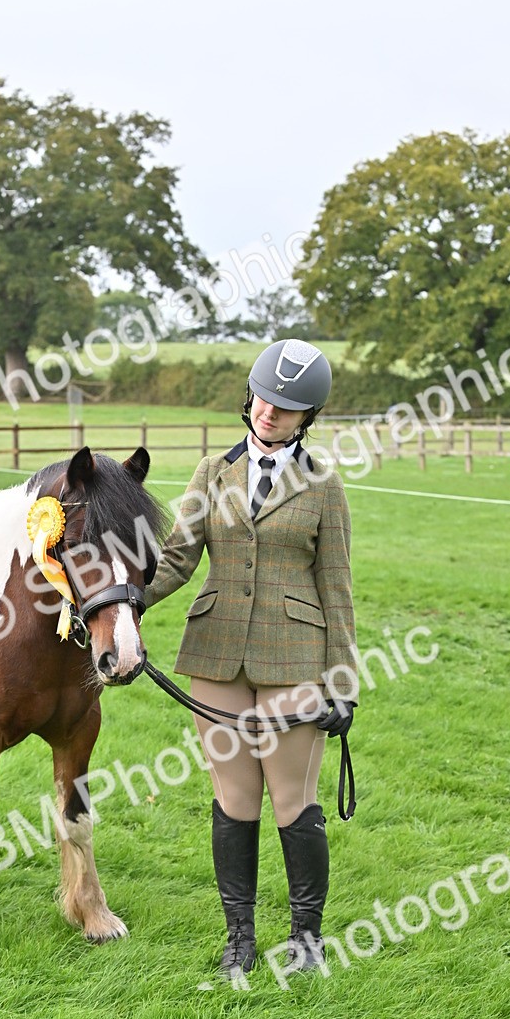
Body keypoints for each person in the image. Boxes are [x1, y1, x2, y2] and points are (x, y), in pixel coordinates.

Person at [145, 338, 358, 980]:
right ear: (250, 395)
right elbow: (178, 557)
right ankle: (239, 937)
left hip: (296, 657)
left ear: (306, 417)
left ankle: (306, 939)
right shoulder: (213, 471)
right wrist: (118, 604)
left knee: (293, 800)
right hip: (215, 653)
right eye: (265, 398)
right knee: (234, 798)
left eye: (287, 407)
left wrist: (342, 679)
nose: (271, 412)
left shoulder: (324, 485)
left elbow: (337, 584)